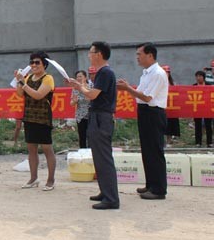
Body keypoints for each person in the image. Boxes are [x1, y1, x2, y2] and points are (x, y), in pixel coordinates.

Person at [67, 41, 119, 210]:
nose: (89, 55)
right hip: (97, 116)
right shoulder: (102, 73)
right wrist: (79, 86)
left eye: (91, 52)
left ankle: (111, 198)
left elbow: (92, 95)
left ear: (99, 54)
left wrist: (79, 87)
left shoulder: (105, 72)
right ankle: (105, 191)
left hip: (101, 118)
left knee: (103, 157)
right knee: (98, 156)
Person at [117, 43, 169, 200]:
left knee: (155, 150)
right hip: (145, 112)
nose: (137, 57)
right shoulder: (146, 73)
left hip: (154, 113)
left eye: (140, 54)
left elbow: (147, 97)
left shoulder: (158, 73)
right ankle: (150, 184)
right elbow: (140, 94)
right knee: (147, 150)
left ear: (150, 55)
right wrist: (128, 88)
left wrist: (128, 88)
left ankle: (159, 189)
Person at [14, 51, 56, 191]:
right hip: (29, 116)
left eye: (37, 62)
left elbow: (38, 95)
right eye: (31, 62)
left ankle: (51, 180)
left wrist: (23, 83)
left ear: (44, 64)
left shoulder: (48, 78)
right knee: (31, 149)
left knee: (47, 149)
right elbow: (20, 93)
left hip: (43, 118)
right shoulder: (28, 78)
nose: (34, 65)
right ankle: (33, 178)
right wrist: (19, 81)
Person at [70, 70, 90, 148]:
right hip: (80, 116)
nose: (78, 78)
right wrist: (74, 101)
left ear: (85, 77)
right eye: (77, 77)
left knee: (91, 136)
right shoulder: (75, 89)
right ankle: (82, 152)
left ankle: (92, 152)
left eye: (80, 76)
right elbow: (71, 103)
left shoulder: (91, 86)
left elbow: (91, 98)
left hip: (91, 115)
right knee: (82, 136)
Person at [192, 70, 212, 147]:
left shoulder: (209, 86)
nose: (198, 78)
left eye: (200, 76)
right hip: (197, 107)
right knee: (198, 125)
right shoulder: (193, 86)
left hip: (207, 108)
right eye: (197, 76)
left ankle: (209, 142)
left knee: (208, 125)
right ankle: (198, 142)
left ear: (203, 77)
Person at [162, 65, 180, 147]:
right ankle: (162, 141)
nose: (166, 74)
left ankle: (169, 141)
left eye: (168, 72)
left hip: (171, 107)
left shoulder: (173, 84)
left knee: (170, 124)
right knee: (162, 124)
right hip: (162, 106)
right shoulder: (159, 82)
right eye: (165, 72)